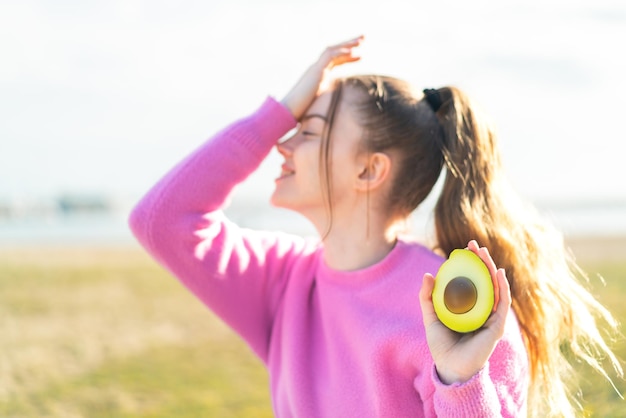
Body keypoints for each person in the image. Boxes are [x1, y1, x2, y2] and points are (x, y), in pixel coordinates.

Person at [129, 36, 622, 417]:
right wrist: (277, 111)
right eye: (291, 126)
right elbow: (161, 220)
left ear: (369, 170)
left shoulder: (456, 308)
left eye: (309, 130)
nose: (282, 144)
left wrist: (460, 382)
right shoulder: (284, 282)